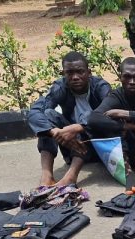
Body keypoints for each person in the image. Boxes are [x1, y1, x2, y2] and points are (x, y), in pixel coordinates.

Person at [27, 52, 111, 186]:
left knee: (88, 116)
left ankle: (71, 176)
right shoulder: (60, 87)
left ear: (89, 73)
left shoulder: (101, 87)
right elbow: (35, 112)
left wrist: (77, 127)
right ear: (64, 74)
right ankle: (47, 176)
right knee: (48, 115)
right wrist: (55, 132)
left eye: (80, 72)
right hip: (70, 146)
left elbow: (110, 115)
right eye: (70, 73)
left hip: (99, 147)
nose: (75, 77)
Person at [87, 57, 135, 194]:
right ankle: (128, 174)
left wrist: (125, 114)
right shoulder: (116, 96)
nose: (132, 82)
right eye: (127, 77)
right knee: (112, 126)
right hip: (126, 152)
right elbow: (94, 118)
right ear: (120, 78)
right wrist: (124, 126)